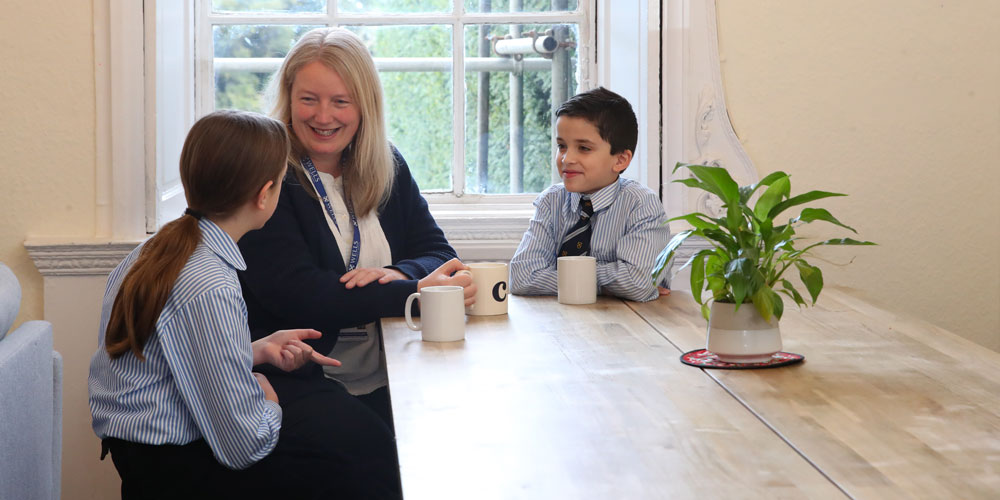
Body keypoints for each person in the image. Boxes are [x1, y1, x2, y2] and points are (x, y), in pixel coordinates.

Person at [88, 110, 393, 499]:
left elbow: (173, 355)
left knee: (345, 428)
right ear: (264, 195)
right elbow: (244, 445)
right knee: (360, 453)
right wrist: (269, 400)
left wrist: (254, 351)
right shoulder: (210, 282)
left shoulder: (154, 251)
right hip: (171, 467)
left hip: (138, 452)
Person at [236, 25, 473, 479]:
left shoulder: (387, 164)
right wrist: (411, 291)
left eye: (340, 101)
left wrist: (398, 273)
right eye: (309, 99)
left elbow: (438, 251)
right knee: (379, 462)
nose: (323, 116)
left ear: (365, 106)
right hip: (302, 377)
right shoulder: (266, 177)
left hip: (392, 369)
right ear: (288, 99)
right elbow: (303, 296)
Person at [509, 87, 671, 302]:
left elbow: (637, 282)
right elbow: (522, 277)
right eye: (562, 146)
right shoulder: (551, 201)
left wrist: (563, 278)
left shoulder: (641, 204)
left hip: (627, 319)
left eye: (584, 148)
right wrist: (609, 284)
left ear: (620, 160)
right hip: (559, 318)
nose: (567, 159)